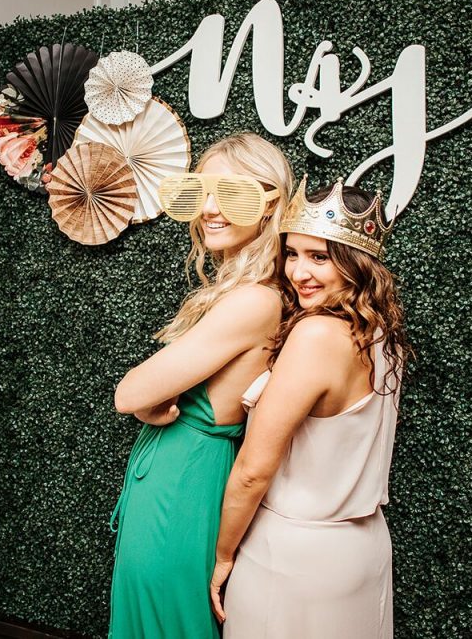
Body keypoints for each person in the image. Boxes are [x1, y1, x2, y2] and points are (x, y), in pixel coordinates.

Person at [108, 133, 293, 639]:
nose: (208, 209)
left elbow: (129, 393)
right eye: (201, 192)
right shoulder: (242, 290)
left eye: (229, 193)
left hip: (183, 484)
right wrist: (148, 403)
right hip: (174, 472)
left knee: (168, 620)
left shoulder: (254, 300)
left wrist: (146, 403)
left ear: (270, 203)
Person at [211, 178, 410, 638]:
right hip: (362, 548)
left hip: (294, 557)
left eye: (320, 257)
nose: (299, 272)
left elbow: (252, 472)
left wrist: (223, 556)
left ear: (356, 264)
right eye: (293, 254)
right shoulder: (381, 334)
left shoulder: (317, 335)